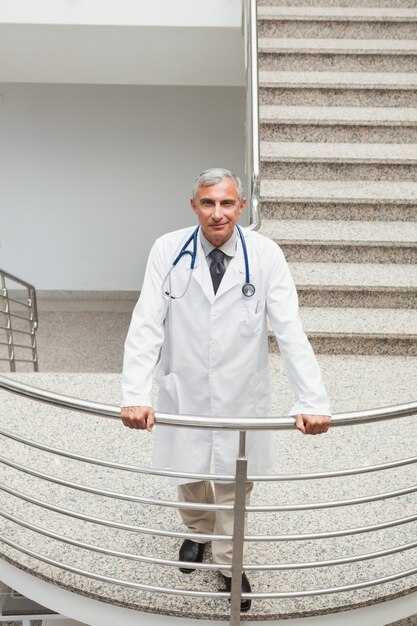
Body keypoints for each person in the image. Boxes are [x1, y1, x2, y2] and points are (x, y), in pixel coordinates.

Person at [120, 168, 331, 612]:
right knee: (190, 473)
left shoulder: (266, 255)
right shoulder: (166, 250)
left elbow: (290, 329)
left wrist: (312, 400)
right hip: (186, 387)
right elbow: (145, 325)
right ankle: (196, 533)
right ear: (193, 205)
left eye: (227, 203)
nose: (218, 213)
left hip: (241, 392)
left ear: (243, 206)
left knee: (236, 485)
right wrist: (135, 394)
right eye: (208, 203)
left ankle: (230, 566)